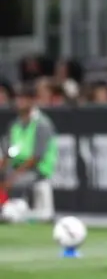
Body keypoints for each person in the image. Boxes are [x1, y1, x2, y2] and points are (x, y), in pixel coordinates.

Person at [0, 84, 58, 221]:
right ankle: (6, 209)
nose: (19, 102)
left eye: (24, 99)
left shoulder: (42, 124)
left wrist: (12, 177)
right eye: (18, 99)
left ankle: (17, 210)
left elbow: (36, 157)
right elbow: (9, 152)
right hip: (17, 167)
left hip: (38, 170)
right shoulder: (14, 125)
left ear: (32, 101)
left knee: (16, 181)